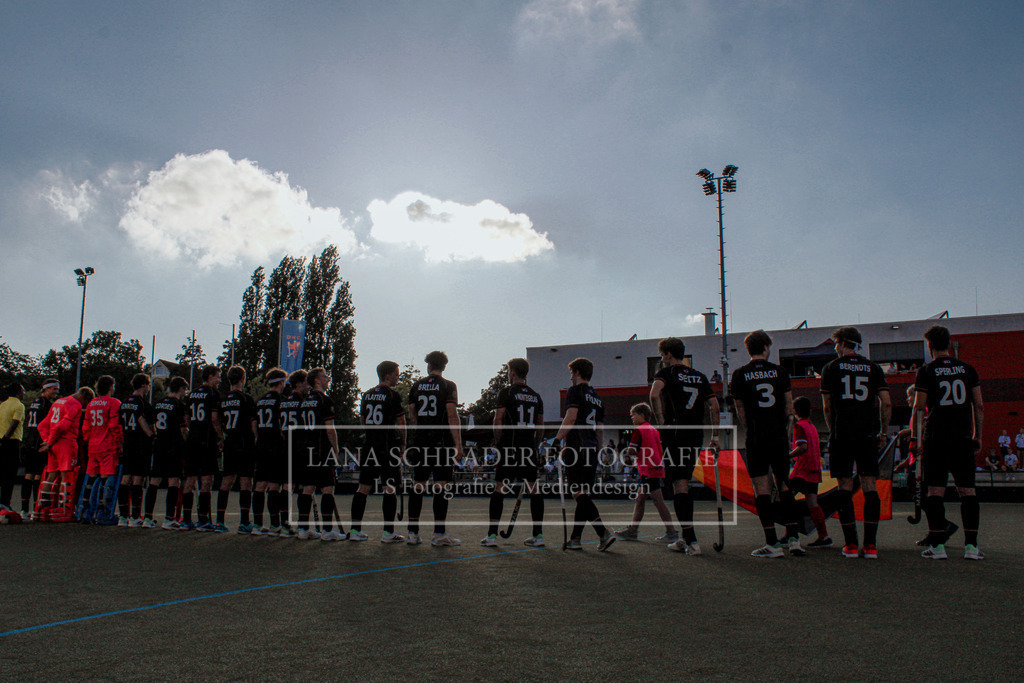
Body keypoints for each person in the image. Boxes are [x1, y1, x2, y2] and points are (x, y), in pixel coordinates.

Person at [914, 325, 985, 560]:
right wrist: (978, 435)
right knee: (968, 491)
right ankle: (972, 547)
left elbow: (918, 408)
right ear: (949, 342)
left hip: (935, 438)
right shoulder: (968, 369)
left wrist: (916, 438)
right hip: (962, 437)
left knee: (935, 491)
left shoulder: (926, 371)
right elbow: (979, 405)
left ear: (930, 345)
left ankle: (938, 547)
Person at [730, 330, 803, 558]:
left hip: (757, 436)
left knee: (761, 489)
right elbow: (789, 409)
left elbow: (740, 411)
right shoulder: (780, 372)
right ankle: (794, 539)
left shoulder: (740, 374)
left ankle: (772, 543)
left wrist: (750, 430)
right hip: (779, 436)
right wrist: (785, 433)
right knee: (784, 486)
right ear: (766, 347)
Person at [820, 326, 891, 559]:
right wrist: (882, 431)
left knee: (844, 487)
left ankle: (850, 544)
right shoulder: (873, 368)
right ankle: (870, 545)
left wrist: (833, 431)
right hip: (867, 435)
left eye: (836, 344)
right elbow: (886, 402)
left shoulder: (831, 368)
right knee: (870, 486)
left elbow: (827, 406)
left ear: (842, 343)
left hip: (842, 433)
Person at [649, 337, 720, 554]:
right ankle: (685, 536)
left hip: (675, 432)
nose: (662, 358)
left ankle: (691, 540)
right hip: (695, 434)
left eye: (662, 354)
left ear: (669, 354)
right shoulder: (700, 376)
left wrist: (661, 423)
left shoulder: (665, 373)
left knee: (679, 485)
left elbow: (653, 395)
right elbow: (714, 406)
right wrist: (715, 437)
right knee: (684, 483)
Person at [482, 358, 545, 547]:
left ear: (513, 373)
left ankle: (492, 536)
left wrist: (499, 442)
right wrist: (535, 445)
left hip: (509, 445)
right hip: (528, 447)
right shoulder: (536, 395)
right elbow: (540, 426)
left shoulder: (506, 392)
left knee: (499, 488)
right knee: (534, 489)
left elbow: (497, 420)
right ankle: (538, 536)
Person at [555, 357, 615, 552]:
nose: (571, 377)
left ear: (578, 373)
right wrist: (597, 449)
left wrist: (557, 440)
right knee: (584, 494)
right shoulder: (598, 398)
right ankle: (575, 539)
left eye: (572, 373)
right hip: (590, 447)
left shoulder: (574, 391)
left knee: (578, 493)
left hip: (576, 446)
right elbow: (600, 429)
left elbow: (570, 417)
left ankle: (603, 533)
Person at [406, 351, 464, 547]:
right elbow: (452, 415)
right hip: (441, 441)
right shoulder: (448, 385)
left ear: (428, 365)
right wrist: (458, 443)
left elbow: (412, 417)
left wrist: (419, 436)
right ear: (444, 366)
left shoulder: (416, 386)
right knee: (441, 485)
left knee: (418, 484)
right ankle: (439, 533)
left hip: (422, 441)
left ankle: (412, 533)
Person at [353, 360, 406, 543]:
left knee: (363, 488)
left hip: (370, 446)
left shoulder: (367, 395)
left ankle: (355, 530)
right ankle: (388, 533)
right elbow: (401, 424)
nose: (398, 377)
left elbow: (362, 420)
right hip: (387, 446)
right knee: (389, 488)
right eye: (396, 373)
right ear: (388, 375)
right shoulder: (393, 395)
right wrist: (403, 445)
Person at [295, 367, 345, 541]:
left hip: (306, 449)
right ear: (316, 380)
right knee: (327, 489)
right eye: (325, 376)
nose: (327, 379)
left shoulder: (305, 401)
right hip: (322, 449)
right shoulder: (324, 400)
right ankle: (327, 530)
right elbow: (330, 428)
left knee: (308, 489)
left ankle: (302, 528)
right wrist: (336, 449)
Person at [613, 403, 675, 542]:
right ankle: (633, 530)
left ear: (641, 415)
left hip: (648, 469)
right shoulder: (654, 430)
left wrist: (629, 455)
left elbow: (631, 451)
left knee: (658, 500)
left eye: (633, 415)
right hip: (655, 467)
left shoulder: (639, 430)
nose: (632, 418)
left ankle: (671, 531)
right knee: (640, 499)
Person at [37, 386, 95, 522]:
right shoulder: (74, 404)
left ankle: (44, 508)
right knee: (66, 475)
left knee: (51, 475)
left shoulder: (58, 401)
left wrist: (47, 441)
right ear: (84, 398)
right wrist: (50, 442)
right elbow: (63, 426)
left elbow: (42, 425)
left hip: (54, 443)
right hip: (66, 443)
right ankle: (64, 509)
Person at [217, 366, 258, 533]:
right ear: (243, 378)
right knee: (245, 483)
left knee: (226, 481)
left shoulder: (222, 399)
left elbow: (217, 422)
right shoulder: (246, 399)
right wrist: (255, 442)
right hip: (244, 443)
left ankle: (219, 521)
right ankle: (244, 522)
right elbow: (253, 424)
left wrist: (221, 439)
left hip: (229, 443)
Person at [182, 365, 223, 531]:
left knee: (190, 479)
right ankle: (203, 520)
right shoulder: (213, 394)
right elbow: (214, 419)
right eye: (218, 377)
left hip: (193, 439)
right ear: (211, 376)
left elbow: (186, 418)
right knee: (206, 480)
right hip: (206, 440)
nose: (220, 380)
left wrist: (194, 430)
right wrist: (221, 436)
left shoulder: (192, 394)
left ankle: (186, 520)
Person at [251, 368, 291, 536]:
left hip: (261, 444)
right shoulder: (280, 401)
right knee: (274, 485)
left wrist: (258, 437)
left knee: (259, 486)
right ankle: (275, 524)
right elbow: (282, 425)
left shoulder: (260, 400)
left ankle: (258, 524)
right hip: (275, 445)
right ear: (281, 382)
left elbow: (254, 424)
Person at [789, 396, 831, 548]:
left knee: (784, 499)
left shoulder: (799, 426)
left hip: (802, 470)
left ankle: (790, 535)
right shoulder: (812, 426)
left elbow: (802, 447)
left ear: (795, 411)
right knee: (813, 504)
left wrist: (786, 456)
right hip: (814, 469)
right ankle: (824, 536)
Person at [80, 375, 123, 524]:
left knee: (91, 479)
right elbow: (114, 426)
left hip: (93, 445)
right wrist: (120, 442)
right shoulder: (114, 403)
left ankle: (85, 512)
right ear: (111, 387)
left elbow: (86, 426)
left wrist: (89, 440)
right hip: (108, 445)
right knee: (107, 480)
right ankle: (103, 514)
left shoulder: (92, 403)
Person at [149, 377, 188, 529]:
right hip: (173, 445)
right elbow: (183, 429)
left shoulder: (158, 403)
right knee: (174, 481)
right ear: (180, 389)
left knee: (154, 481)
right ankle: (169, 518)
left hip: (159, 444)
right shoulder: (179, 405)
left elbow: (152, 425)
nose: (185, 393)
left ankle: (147, 516)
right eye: (184, 389)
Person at [19, 378, 59, 517]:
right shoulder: (47, 404)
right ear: (46, 388)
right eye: (54, 389)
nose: (56, 392)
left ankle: (24, 509)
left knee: (29, 475)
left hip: (30, 441)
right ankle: (37, 507)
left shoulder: (34, 403)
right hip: (39, 441)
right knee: (37, 476)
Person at [120, 374, 156, 527]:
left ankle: (123, 517)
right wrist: (152, 436)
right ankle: (135, 516)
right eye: (148, 385)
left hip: (127, 443)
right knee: (138, 479)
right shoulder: (143, 404)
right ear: (143, 385)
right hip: (140, 444)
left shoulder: (124, 403)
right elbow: (145, 424)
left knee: (125, 479)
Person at [0, 382, 26, 509]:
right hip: (12, 441)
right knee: (10, 474)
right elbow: (15, 422)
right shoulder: (19, 405)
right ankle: (5, 503)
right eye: (22, 391)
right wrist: (6, 437)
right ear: (18, 392)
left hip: (1, 440)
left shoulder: (3, 405)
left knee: (2, 472)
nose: (24, 394)